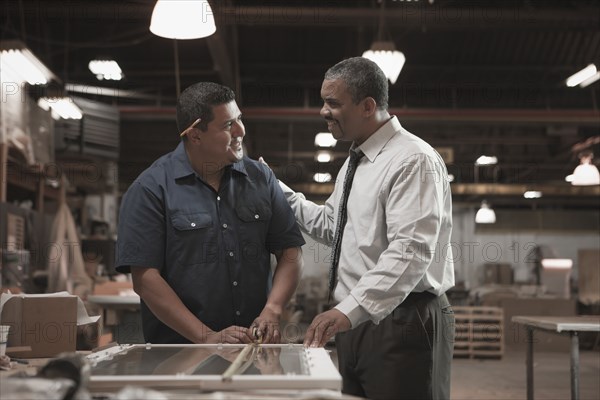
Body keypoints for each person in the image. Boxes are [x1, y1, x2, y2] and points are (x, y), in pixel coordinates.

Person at [275, 57, 455, 399]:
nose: (323, 112)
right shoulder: (356, 162)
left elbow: (410, 250)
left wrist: (348, 310)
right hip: (358, 320)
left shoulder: (412, 159)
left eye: (333, 103)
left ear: (368, 106)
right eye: (323, 102)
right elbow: (332, 226)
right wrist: (275, 189)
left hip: (403, 319)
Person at [115, 82, 305, 345]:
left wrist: (272, 309)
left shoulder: (261, 179)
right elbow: (146, 278)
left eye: (239, 119)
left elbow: (290, 252)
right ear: (195, 135)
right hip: (178, 354)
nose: (241, 131)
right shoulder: (150, 189)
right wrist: (206, 337)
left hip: (253, 348)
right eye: (228, 125)